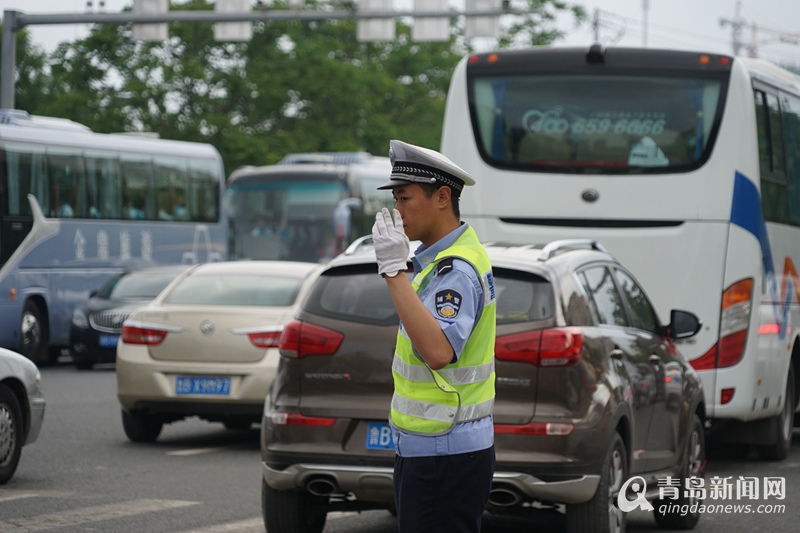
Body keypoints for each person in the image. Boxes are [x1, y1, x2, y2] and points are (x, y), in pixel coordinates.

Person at [371, 139, 497, 533]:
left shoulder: (455, 270)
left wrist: (393, 273)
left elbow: (438, 351)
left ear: (442, 197)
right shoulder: (439, 262)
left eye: (405, 198)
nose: (398, 210)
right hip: (437, 447)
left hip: (444, 451)